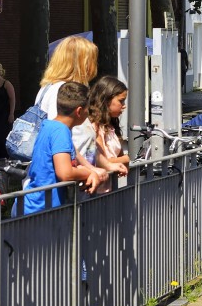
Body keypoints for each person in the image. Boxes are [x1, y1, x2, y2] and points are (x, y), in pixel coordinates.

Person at [23, 81, 108, 214]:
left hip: (37, 205)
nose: (88, 114)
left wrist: (86, 169)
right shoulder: (61, 131)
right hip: (41, 210)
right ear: (79, 111)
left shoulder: (49, 125)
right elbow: (65, 173)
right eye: (87, 109)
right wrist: (89, 172)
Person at [36, 35, 99, 117]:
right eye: (91, 60)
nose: (94, 65)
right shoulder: (62, 91)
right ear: (82, 64)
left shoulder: (49, 86)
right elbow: (57, 125)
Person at [82, 76, 129, 184]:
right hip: (98, 192)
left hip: (110, 188)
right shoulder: (95, 127)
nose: (124, 106)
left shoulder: (111, 125)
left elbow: (118, 156)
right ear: (107, 99)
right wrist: (127, 159)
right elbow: (103, 161)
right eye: (121, 101)